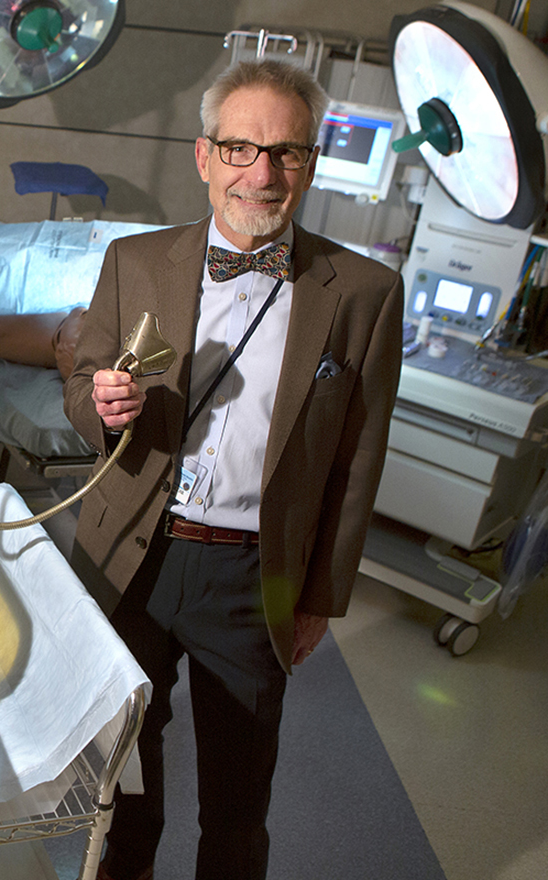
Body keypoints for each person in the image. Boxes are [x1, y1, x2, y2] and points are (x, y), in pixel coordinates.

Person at [62, 59, 404, 880]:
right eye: (241, 148)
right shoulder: (135, 260)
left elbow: (359, 456)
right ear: (203, 156)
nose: (262, 174)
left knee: (238, 798)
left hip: (255, 577)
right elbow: (82, 386)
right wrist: (97, 406)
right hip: (128, 561)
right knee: (121, 775)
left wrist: (317, 594)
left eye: (286, 153)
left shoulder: (362, 291)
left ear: (310, 165)